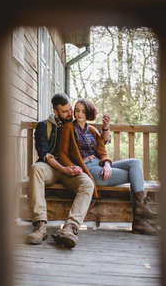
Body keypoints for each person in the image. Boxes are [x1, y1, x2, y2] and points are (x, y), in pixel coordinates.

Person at [58, 98, 159, 235]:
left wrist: (106, 163)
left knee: (135, 163)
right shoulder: (68, 128)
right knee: (134, 175)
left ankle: (140, 212)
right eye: (77, 110)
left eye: (83, 111)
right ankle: (140, 219)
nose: (79, 114)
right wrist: (73, 167)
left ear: (88, 113)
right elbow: (62, 154)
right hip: (88, 169)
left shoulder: (92, 130)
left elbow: (102, 151)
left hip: (98, 164)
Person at [27, 93, 111, 248]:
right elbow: (45, 154)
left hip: (71, 168)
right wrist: (64, 169)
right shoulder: (44, 126)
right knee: (36, 168)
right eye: (64, 111)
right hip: (52, 168)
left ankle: (70, 228)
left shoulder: (74, 125)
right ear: (55, 111)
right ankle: (40, 225)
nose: (69, 113)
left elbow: (99, 140)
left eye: (70, 109)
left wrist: (105, 128)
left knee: (87, 184)